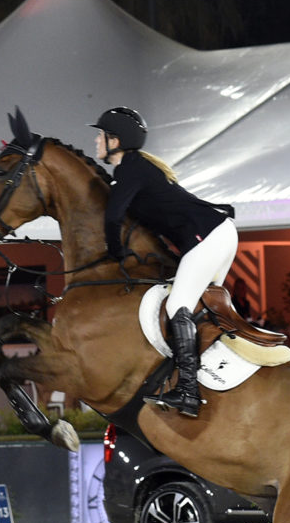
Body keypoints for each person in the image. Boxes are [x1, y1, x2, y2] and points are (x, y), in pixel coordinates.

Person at [90, 106, 237, 417]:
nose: (96, 142)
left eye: (100, 136)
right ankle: (218, 374)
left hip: (208, 236)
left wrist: (115, 251)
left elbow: (114, 217)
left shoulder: (131, 168)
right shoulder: (135, 168)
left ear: (115, 140)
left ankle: (187, 392)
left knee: (177, 306)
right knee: (201, 309)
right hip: (218, 233)